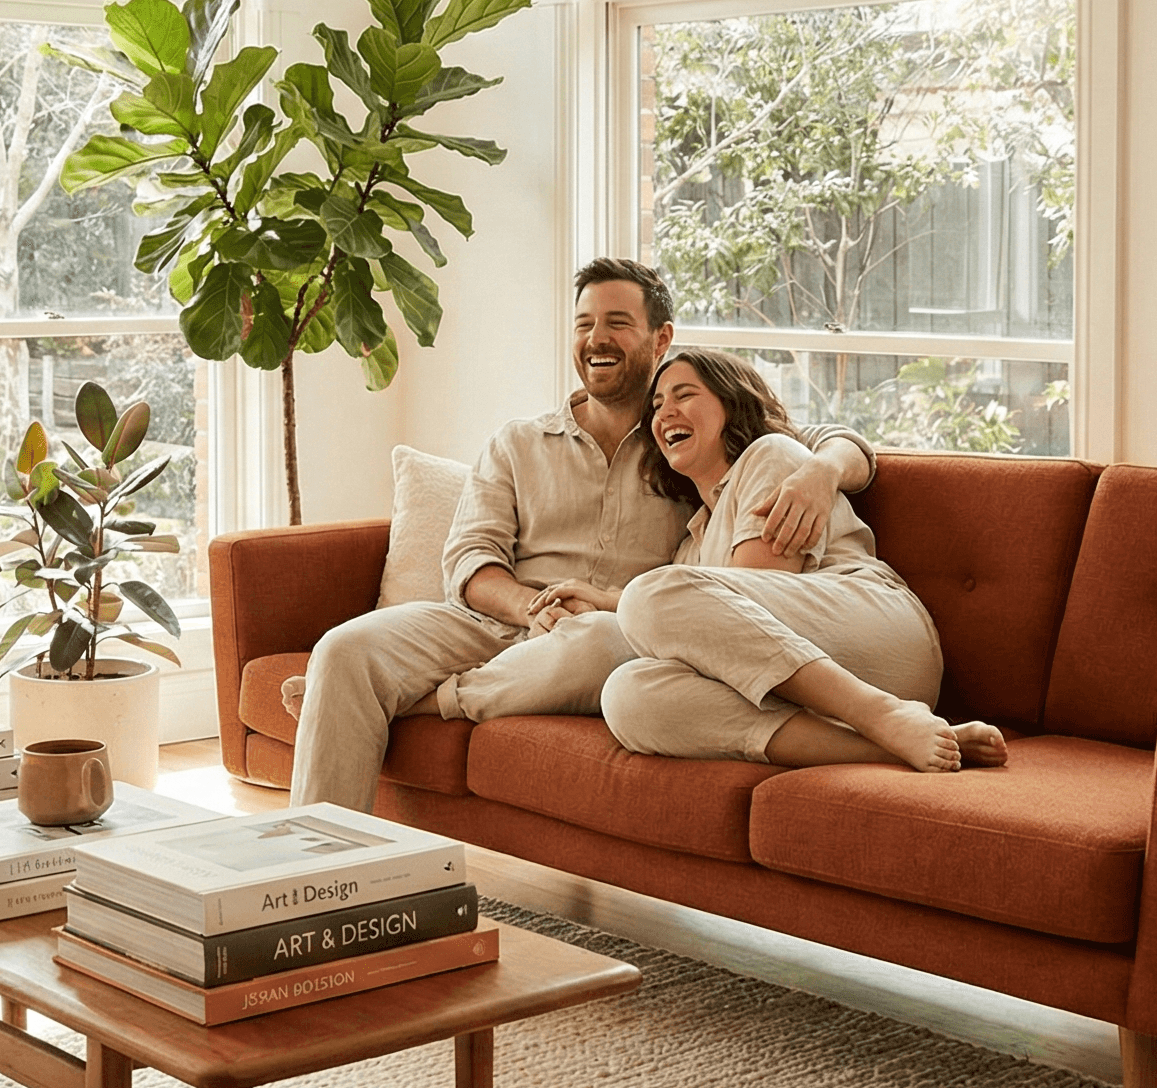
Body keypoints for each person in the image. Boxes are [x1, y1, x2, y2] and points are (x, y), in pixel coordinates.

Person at [285, 260, 882, 811]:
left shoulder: (686, 434)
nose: (597, 338)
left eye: (618, 323)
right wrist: (531, 607)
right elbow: (470, 560)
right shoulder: (519, 442)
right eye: (584, 324)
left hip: (617, 631)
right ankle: (317, 876)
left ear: (661, 339)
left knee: (595, 636)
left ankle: (426, 702)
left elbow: (836, 441)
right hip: (496, 624)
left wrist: (821, 472)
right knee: (344, 651)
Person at [521, 348, 1008, 772]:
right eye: (657, 403)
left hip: (879, 636)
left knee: (652, 593)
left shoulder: (771, 456)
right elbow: (727, 627)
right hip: (813, 672)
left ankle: (880, 713)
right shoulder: (692, 541)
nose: (665, 411)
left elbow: (751, 605)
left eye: (685, 394)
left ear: (731, 405)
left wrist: (628, 603)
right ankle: (889, 746)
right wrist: (607, 604)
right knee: (628, 696)